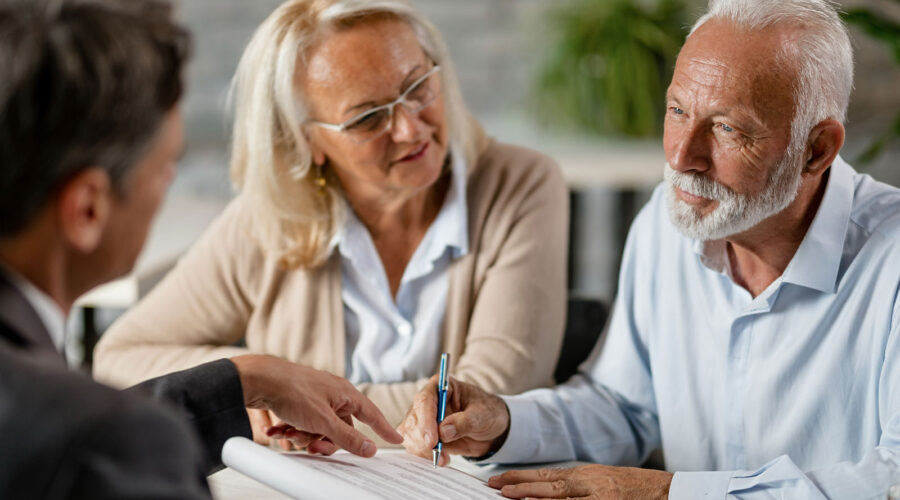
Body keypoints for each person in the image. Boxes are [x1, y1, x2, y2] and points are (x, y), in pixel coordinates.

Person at [398, 0, 900, 498]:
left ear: (816, 149)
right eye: (678, 110)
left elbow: (892, 478)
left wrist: (665, 494)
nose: (682, 156)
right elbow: (625, 407)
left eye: (727, 128)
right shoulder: (666, 222)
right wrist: (503, 421)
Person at [93, 0, 568, 447]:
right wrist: (254, 379)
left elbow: (485, 403)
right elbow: (118, 359)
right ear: (307, 143)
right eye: (367, 119)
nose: (410, 128)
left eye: (418, 86)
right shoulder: (269, 219)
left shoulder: (522, 184)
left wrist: (296, 402)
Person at [0, 1, 402, 497]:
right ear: (87, 210)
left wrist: (245, 377)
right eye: (166, 166)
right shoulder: (110, 445)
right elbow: (91, 436)